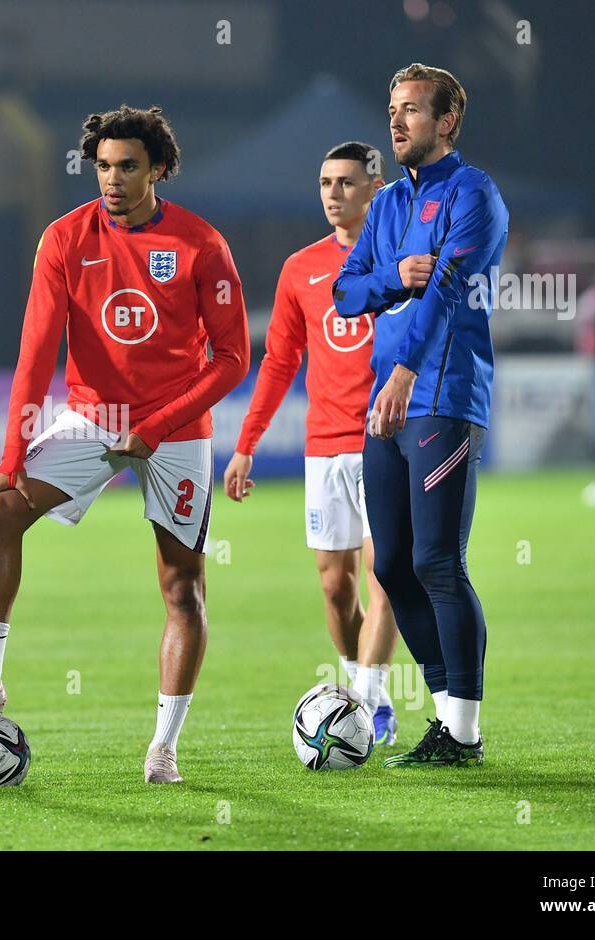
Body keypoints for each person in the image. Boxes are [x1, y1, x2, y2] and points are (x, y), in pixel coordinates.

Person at [0, 105, 250, 784]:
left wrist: (159, 425)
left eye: (127, 166)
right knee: (0, 509)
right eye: (103, 166)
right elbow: (34, 355)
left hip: (175, 429)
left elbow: (231, 358)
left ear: (157, 168)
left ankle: (163, 747)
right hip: (94, 417)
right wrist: (9, 459)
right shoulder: (65, 239)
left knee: (182, 588)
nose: (112, 178)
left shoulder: (201, 243)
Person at [332, 64, 509, 767]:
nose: (397, 121)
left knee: (439, 560)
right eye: (392, 108)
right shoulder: (385, 207)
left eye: (412, 109)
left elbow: (450, 286)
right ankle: (448, 720)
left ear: (448, 122)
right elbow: (349, 292)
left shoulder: (475, 194)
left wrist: (404, 371)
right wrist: (389, 277)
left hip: (440, 395)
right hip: (389, 403)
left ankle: (463, 731)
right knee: (394, 567)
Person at [224, 141, 400, 745]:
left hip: (386, 441)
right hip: (324, 448)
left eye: (346, 183)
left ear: (374, 189)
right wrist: (247, 443)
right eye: (325, 183)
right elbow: (277, 361)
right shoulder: (301, 270)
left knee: (388, 575)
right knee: (334, 584)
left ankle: (372, 704)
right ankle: (356, 690)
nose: (332, 194)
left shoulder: (401, 261)